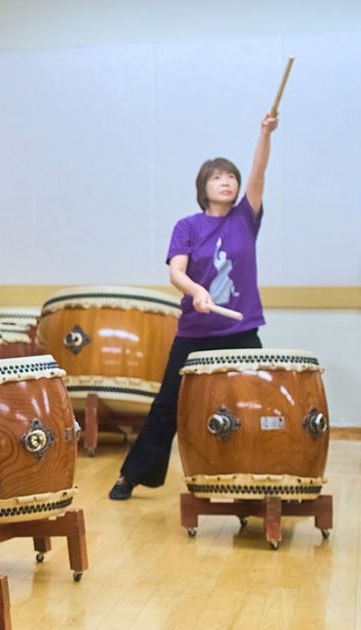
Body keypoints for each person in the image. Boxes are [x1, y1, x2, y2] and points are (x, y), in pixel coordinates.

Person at [109, 112, 278, 500]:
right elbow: (177, 272)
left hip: (241, 332)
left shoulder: (245, 220)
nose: (227, 181)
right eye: (218, 176)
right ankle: (131, 476)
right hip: (195, 334)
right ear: (203, 187)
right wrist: (196, 291)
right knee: (167, 404)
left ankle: (260, 476)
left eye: (231, 177)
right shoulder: (188, 226)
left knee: (255, 402)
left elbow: (259, 168)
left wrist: (264, 133)